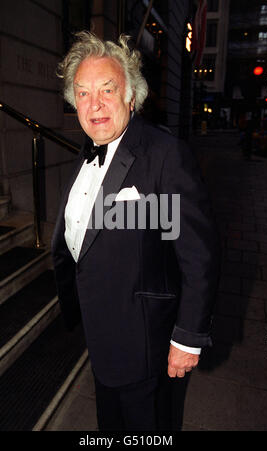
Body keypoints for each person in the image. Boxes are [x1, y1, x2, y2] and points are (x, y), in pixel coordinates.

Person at [51, 31, 220, 431]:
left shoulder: (164, 154)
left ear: (131, 96)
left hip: (149, 344)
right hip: (100, 336)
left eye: (107, 90)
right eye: (84, 93)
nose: (95, 105)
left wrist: (187, 338)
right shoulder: (84, 153)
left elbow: (199, 254)